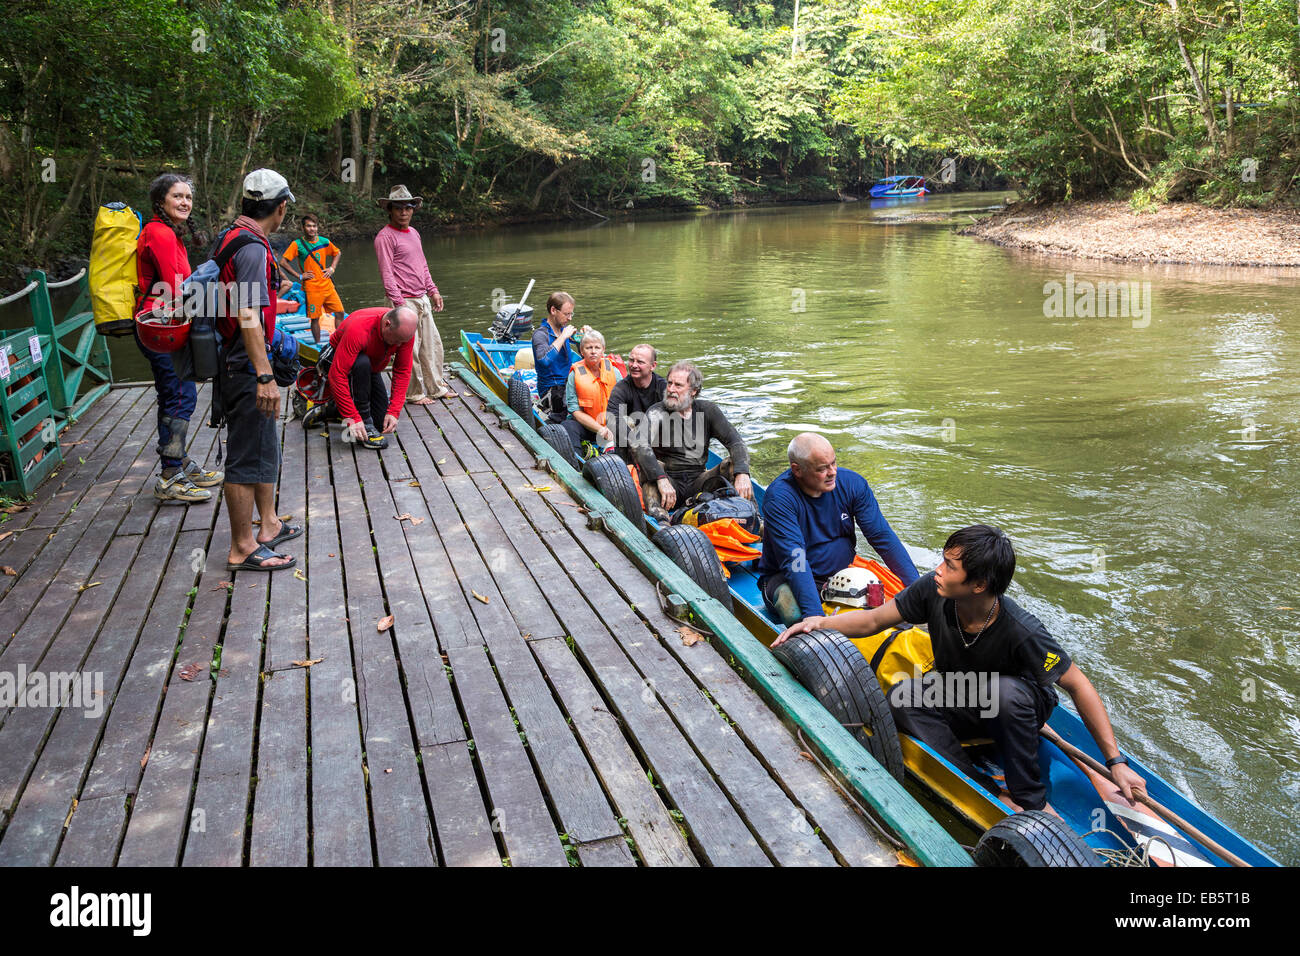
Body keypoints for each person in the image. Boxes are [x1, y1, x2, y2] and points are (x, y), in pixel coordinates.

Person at [773, 524, 1147, 813]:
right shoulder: (933, 592)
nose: (938, 571)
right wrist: (817, 623)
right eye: (942, 560)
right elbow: (873, 621)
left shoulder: (1022, 630)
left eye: (949, 566)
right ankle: (975, 784)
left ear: (979, 584)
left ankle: (1029, 801)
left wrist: (1115, 762)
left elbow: (1078, 684)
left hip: (1018, 705)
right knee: (903, 697)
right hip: (962, 692)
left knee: (1004, 694)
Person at [214, 168, 300, 572]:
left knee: (261, 445)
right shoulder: (250, 248)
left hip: (238, 358)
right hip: (244, 365)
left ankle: (266, 527)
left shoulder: (234, 236)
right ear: (281, 207)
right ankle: (242, 548)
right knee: (246, 454)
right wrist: (265, 375)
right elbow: (247, 313)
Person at [757, 432, 919, 626]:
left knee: (893, 612)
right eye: (822, 468)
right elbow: (795, 559)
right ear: (797, 470)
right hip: (788, 578)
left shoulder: (853, 484)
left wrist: (917, 588)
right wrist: (813, 615)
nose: (832, 472)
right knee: (793, 611)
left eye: (833, 463)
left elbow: (883, 538)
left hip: (843, 574)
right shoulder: (780, 499)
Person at [135, 173, 223, 502]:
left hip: (166, 326)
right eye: (177, 196)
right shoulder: (159, 233)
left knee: (177, 394)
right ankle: (171, 475)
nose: (185, 202)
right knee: (178, 397)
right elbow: (176, 288)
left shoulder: (169, 233)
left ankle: (180, 460)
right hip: (161, 329)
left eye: (188, 196)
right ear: (161, 202)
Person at [628, 360, 753, 521]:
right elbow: (639, 446)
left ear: (693, 391)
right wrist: (661, 479)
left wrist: (742, 473)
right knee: (649, 469)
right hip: (668, 482)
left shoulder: (708, 410)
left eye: (678, 385)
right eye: (669, 384)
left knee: (734, 464)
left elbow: (735, 441)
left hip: (699, 482)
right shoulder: (657, 412)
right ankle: (661, 521)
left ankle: (753, 517)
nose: (671, 389)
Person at [373, 185, 456, 403]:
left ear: (413, 209)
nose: (403, 212)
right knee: (409, 350)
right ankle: (413, 393)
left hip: (422, 298)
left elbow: (422, 266)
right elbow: (387, 274)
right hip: (402, 300)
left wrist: (433, 290)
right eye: (398, 208)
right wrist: (399, 305)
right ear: (390, 210)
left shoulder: (414, 233)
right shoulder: (385, 237)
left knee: (432, 345)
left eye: (408, 208)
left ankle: (436, 387)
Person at [326, 306, 417, 451]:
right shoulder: (360, 328)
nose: (399, 345)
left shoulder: (404, 333)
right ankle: (364, 422)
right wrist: (354, 419)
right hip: (337, 361)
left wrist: (394, 411)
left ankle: (331, 408)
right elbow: (337, 375)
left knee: (382, 424)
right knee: (362, 362)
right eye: (398, 340)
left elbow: (402, 371)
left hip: (370, 369)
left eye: (403, 341)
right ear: (387, 324)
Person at [279, 213, 344, 343]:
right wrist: (299, 276)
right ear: (303, 228)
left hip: (327, 285)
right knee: (315, 318)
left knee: (340, 312)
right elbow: (283, 262)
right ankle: (319, 344)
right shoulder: (297, 244)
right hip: (312, 288)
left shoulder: (324, 241)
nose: (312, 229)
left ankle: (339, 341)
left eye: (314, 226)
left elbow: (337, 253)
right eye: (309, 226)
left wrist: (332, 268)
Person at [560, 329, 623, 453]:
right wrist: (600, 430)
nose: (593, 352)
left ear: (603, 350)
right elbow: (575, 411)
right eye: (589, 348)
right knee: (567, 427)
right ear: (582, 352)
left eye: (597, 347)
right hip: (587, 427)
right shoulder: (574, 374)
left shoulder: (614, 372)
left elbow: (625, 402)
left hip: (611, 425)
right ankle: (577, 465)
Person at [530, 291, 588, 423]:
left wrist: (587, 337)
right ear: (553, 310)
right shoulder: (540, 335)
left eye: (571, 314)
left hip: (568, 384)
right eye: (566, 314)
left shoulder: (564, 330)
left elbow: (585, 354)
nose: (570, 318)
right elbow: (544, 360)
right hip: (552, 391)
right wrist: (563, 337)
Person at [606, 343, 665, 461]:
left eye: (640, 362)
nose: (634, 365)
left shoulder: (664, 388)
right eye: (631, 360)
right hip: (631, 442)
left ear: (653, 366)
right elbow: (612, 419)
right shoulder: (621, 389)